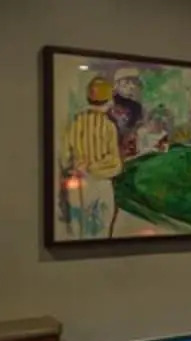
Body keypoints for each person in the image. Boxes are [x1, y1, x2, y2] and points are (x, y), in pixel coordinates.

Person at [59, 76, 123, 239]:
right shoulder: (109, 126)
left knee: (79, 233)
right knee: (101, 233)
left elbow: (64, 158)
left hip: (78, 183)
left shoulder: (75, 123)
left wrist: (78, 167)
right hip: (101, 184)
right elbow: (116, 164)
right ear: (109, 101)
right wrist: (93, 167)